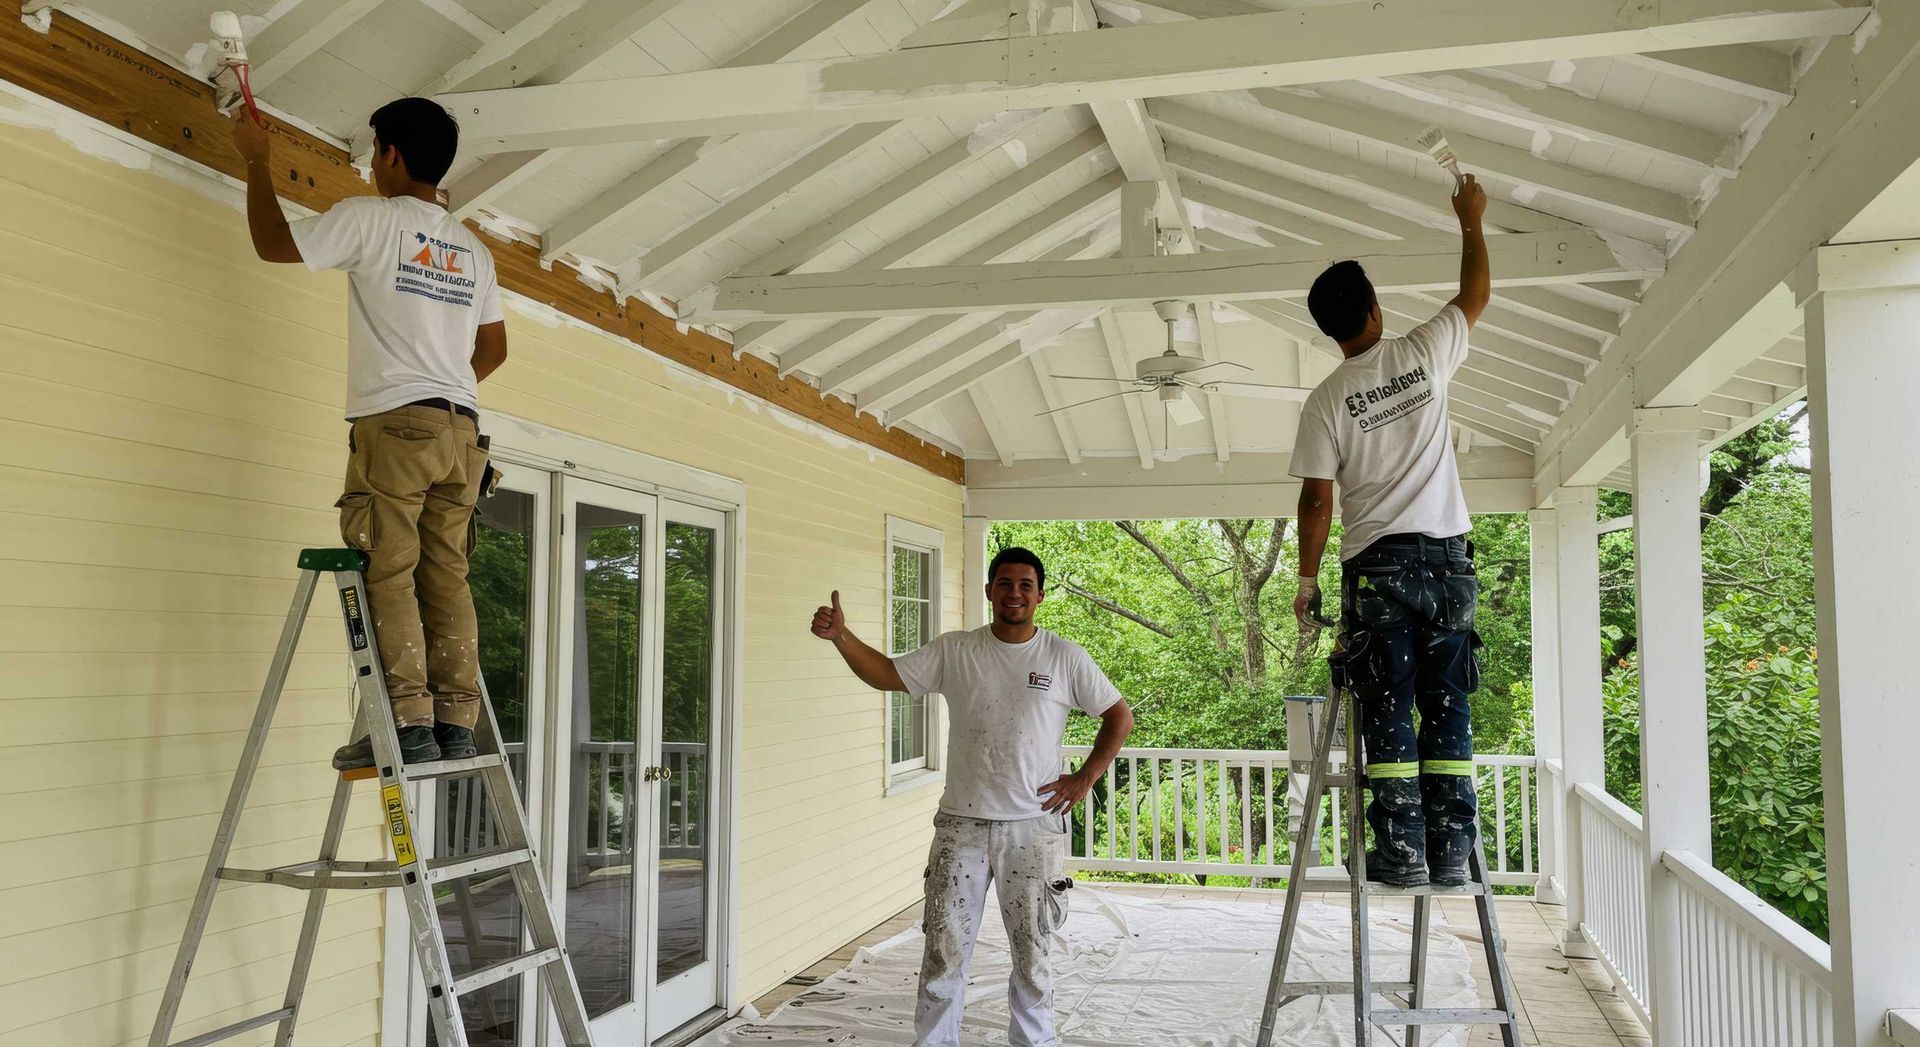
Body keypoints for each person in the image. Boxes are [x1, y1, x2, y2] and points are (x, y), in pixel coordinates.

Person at [232, 99, 509, 770]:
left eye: (374, 151)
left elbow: (273, 242)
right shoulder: (474, 251)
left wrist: (257, 160)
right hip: (462, 430)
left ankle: (407, 723)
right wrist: (442, 386)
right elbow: (494, 349)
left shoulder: (371, 219)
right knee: (446, 574)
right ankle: (454, 722)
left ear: (391, 154)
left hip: (400, 424)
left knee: (389, 569)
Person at [810, 547, 1134, 1047]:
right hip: (961, 824)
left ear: (1040, 596)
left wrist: (1084, 778)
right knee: (944, 947)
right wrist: (841, 637)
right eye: (1005, 583)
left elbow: (1119, 716)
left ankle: (1033, 1042)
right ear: (989, 591)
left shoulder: (1064, 657)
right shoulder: (956, 650)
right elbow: (887, 673)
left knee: (1032, 948)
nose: (1014, 593)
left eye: (1025, 585)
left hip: (1032, 827)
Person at [1287, 175, 1492, 888]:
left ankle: (1402, 853)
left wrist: (1307, 581)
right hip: (1449, 563)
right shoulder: (1424, 352)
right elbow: (1475, 294)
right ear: (1375, 308)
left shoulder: (1326, 401)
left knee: (1389, 705)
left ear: (1330, 329)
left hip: (1378, 567)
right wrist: (1469, 219)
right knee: (1448, 702)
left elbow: (1317, 499)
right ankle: (1452, 851)